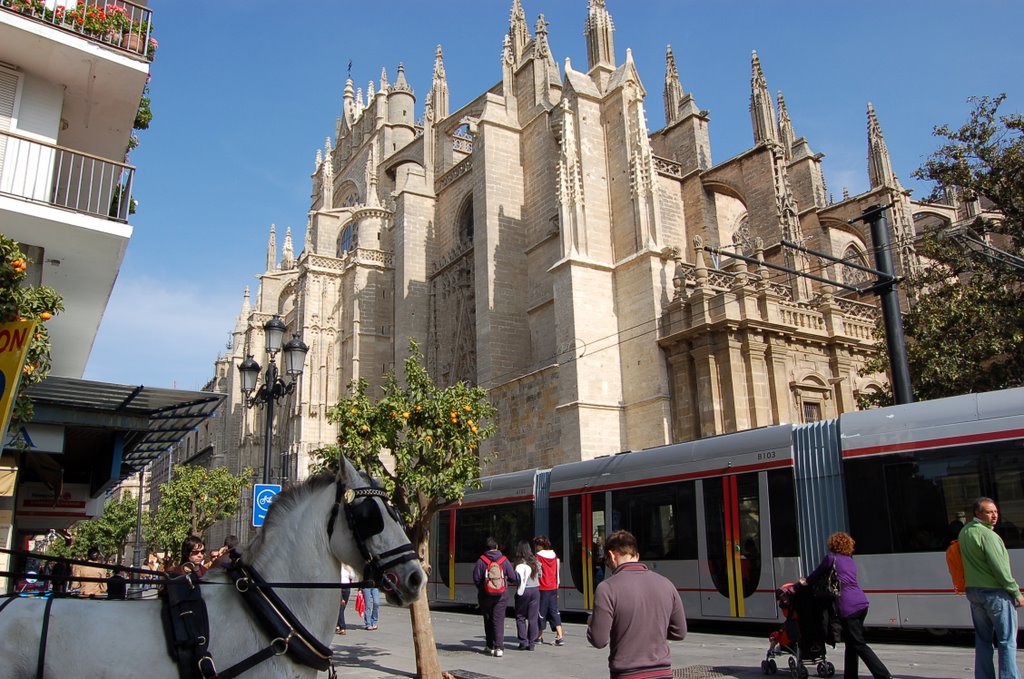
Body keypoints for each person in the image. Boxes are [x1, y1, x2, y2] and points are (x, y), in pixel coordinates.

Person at [587, 530, 687, 679]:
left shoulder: (606, 588)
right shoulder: (666, 584)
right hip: (663, 673)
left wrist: (592, 623)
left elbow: (599, 640)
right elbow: (680, 632)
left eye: (607, 562)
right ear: (637, 556)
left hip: (627, 673)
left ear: (612, 556)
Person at [804, 531, 893, 679]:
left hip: (848, 607)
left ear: (832, 544)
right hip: (862, 603)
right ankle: (850, 676)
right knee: (851, 644)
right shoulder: (850, 560)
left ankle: (883, 675)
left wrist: (802, 583)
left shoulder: (830, 559)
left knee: (858, 644)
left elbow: (814, 576)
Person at [959, 497, 1024, 679]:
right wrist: (1015, 591)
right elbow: (1000, 568)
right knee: (1007, 640)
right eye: (989, 512)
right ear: (978, 513)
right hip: (995, 593)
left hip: (974, 592)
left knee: (983, 640)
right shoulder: (988, 535)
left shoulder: (965, 531)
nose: (994, 515)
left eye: (995, 511)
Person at [472, 536, 518, 657]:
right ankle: (499, 648)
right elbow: (513, 577)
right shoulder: (504, 560)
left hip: (485, 596)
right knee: (498, 620)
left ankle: (490, 645)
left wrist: (483, 589)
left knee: (488, 620)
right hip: (501, 596)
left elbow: (476, 578)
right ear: (496, 547)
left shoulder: (481, 561)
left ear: (486, 548)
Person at [533, 535, 565, 645]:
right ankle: (560, 636)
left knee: (541, 611)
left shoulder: (538, 556)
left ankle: (539, 636)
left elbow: (537, 572)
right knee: (554, 610)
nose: (536, 547)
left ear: (540, 545)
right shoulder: (554, 555)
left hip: (542, 587)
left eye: (537, 545)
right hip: (553, 586)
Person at [513, 539, 541, 651]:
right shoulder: (535, 561)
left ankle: (523, 642)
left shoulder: (518, 563)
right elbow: (540, 575)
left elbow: (515, 578)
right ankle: (532, 643)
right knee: (533, 618)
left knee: (520, 616)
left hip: (522, 591)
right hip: (535, 590)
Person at [336, 563, 356, 635]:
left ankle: (337, 624)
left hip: (347, 588)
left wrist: (350, 570)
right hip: (339, 587)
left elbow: (352, 576)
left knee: (342, 608)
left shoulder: (348, 567)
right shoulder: (338, 566)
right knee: (340, 607)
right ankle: (342, 627)